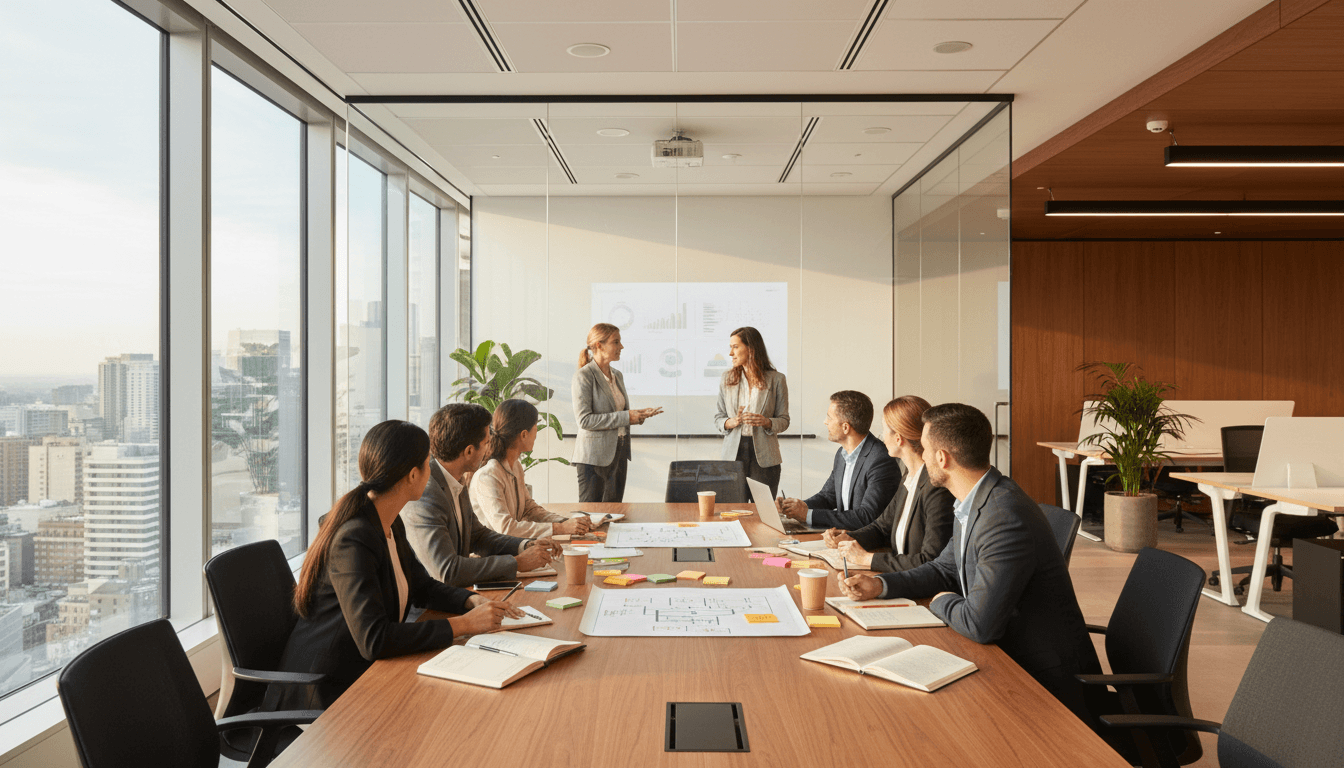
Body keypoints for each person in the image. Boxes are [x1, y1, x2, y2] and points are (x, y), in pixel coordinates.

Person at [839, 403, 1101, 724]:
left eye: (925, 448)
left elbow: (980, 624)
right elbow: (943, 568)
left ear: (942, 458)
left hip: (1044, 684)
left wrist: (942, 601)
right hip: (1006, 657)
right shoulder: (975, 498)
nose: (920, 456)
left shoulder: (1003, 516)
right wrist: (880, 585)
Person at [275, 420, 523, 709]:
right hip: (323, 693)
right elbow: (374, 639)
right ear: (413, 475)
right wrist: (463, 625)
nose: (432, 471)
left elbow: (423, 587)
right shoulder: (352, 539)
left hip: (364, 675)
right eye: (428, 464)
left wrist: (471, 601)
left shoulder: (389, 521)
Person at [403, 403, 568, 588]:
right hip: (432, 606)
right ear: (469, 451)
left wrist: (526, 545)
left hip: (458, 594)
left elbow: (478, 536)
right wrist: (518, 562)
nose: (489, 449)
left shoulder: (454, 479)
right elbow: (448, 571)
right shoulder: (426, 494)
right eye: (486, 443)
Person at [822, 395, 954, 573]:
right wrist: (847, 537)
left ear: (898, 439)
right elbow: (881, 528)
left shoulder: (936, 488)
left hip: (919, 590)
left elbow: (930, 560)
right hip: (900, 579)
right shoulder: (909, 475)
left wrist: (867, 559)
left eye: (884, 430)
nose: (881, 437)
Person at [471, 399, 595, 538]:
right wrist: (560, 528)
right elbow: (505, 528)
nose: (537, 434)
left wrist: (566, 522)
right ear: (524, 434)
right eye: (536, 427)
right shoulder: (488, 476)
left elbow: (528, 508)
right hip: (495, 555)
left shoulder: (515, 466)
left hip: (512, 547)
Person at [777, 390, 899, 530]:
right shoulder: (842, 453)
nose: (825, 422)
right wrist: (796, 507)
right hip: (843, 538)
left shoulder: (880, 460)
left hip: (867, 543)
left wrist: (807, 515)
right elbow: (828, 496)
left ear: (845, 427)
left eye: (829, 418)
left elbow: (867, 516)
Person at [571, 322, 662, 502]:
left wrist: (638, 415)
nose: (621, 346)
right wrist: (627, 416)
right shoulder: (584, 376)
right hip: (593, 459)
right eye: (616, 342)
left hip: (619, 453)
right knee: (591, 517)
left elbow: (618, 412)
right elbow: (585, 420)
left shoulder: (617, 375)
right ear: (599, 345)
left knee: (615, 515)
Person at [713, 326, 789, 496]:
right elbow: (718, 417)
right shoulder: (727, 378)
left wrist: (767, 422)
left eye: (735, 347)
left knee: (762, 512)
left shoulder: (777, 379)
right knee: (732, 510)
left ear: (751, 348)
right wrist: (731, 422)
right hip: (733, 454)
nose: (731, 353)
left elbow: (784, 420)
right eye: (730, 347)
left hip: (764, 457)